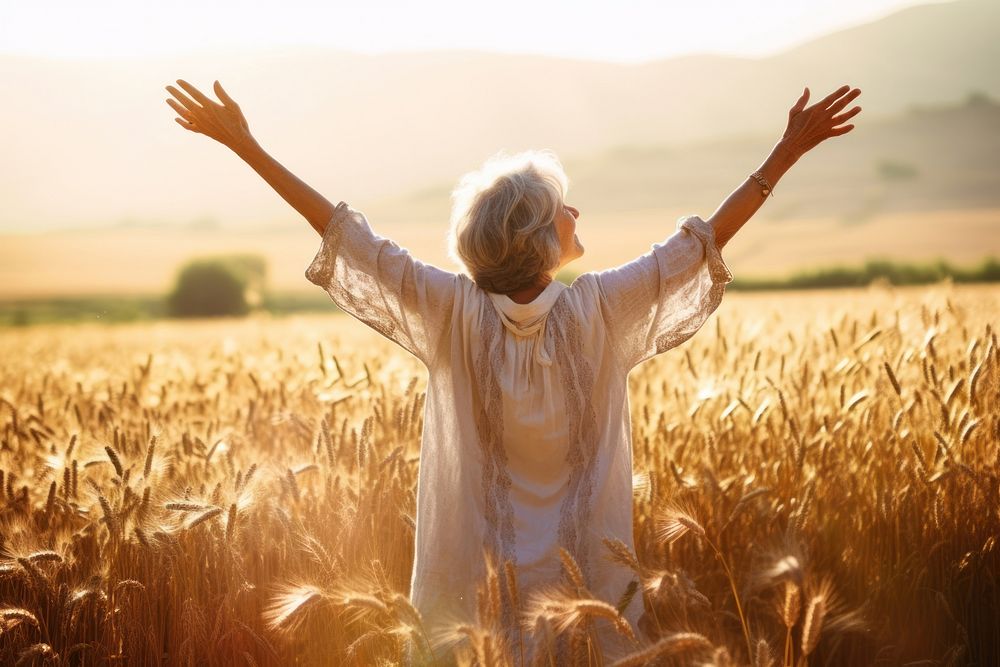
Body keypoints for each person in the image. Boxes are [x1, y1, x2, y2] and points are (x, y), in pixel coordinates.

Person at [165, 79, 861, 664]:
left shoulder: (450, 312)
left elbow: (347, 236)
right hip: (587, 604)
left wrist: (246, 146)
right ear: (538, 236)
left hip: (474, 606)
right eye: (563, 208)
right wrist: (785, 152)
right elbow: (704, 239)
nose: (576, 212)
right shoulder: (599, 309)